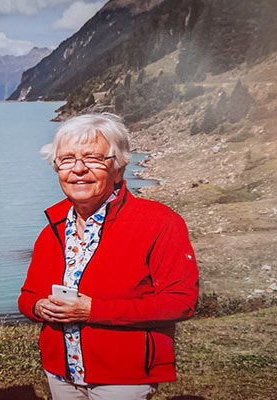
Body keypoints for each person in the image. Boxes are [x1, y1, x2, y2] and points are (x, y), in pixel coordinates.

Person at [18, 113, 198, 400]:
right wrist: (39, 307)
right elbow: (27, 296)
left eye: (93, 158)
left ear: (118, 168)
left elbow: (180, 302)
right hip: (62, 372)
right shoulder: (52, 229)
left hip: (124, 376)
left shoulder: (159, 222)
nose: (78, 169)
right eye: (66, 160)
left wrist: (94, 311)